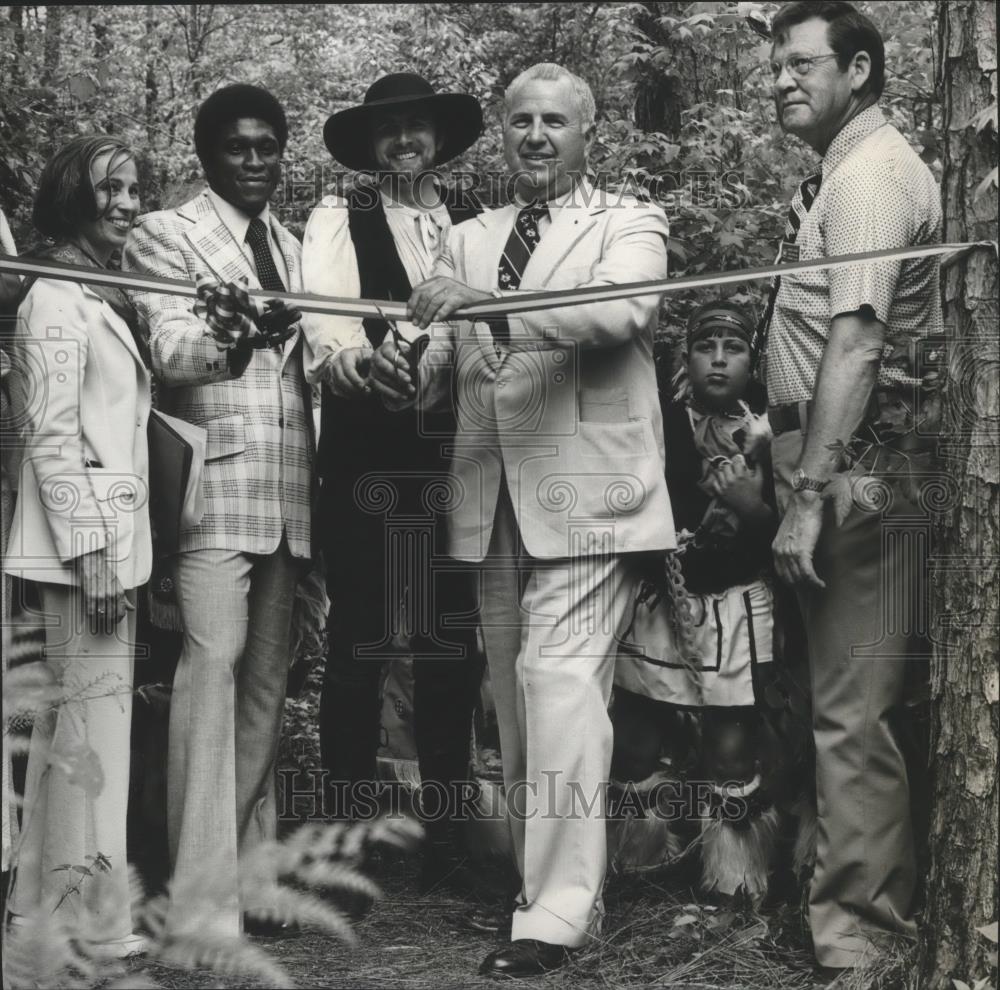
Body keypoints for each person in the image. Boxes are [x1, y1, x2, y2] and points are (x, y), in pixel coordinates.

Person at [372, 62, 675, 977]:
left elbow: (621, 312)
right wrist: (394, 369)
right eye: (520, 122)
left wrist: (489, 310)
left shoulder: (629, 219)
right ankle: (536, 880)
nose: (536, 135)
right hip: (489, 500)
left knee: (558, 684)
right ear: (502, 134)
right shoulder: (465, 239)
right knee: (512, 698)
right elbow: (438, 356)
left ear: (587, 135)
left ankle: (556, 914)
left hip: (593, 496)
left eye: (555, 121)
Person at [764, 1, 941, 975]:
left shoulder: (872, 176)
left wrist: (808, 493)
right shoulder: (840, 173)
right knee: (832, 701)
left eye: (801, 63)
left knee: (854, 710)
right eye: (774, 67)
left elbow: (860, 338)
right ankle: (836, 908)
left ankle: (862, 947)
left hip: (862, 477)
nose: (780, 81)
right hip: (827, 465)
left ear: (862, 70)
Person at [124, 84, 313, 938]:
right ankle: (194, 909)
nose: (254, 160)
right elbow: (168, 349)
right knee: (209, 679)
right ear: (205, 154)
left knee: (267, 689)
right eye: (237, 147)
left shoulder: (296, 243)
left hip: (288, 494)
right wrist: (231, 340)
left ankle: (236, 875)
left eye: (268, 145)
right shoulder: (165, 234)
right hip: (210, 488)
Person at [300, 72, 485, 890]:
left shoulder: (477, 222)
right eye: (390, 130)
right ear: (371, 145)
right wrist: (353, 363)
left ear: (438, 138)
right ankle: (344, 840)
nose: (405, 141)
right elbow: (323, 325)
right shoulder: (341, 215)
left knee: (450, 646)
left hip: (457, 457)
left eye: (417, 127)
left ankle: (445, 833)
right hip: (368, 453)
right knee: (361, 641)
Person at [4, 136, 151, 956]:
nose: (128, 203)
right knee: (86, 742)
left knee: (85, 736)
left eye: (134, 189)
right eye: (111, 190)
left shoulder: (101, 288)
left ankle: (48, 923)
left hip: (107, 541)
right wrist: (92, 549)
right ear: (72, 197)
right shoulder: (54, 296)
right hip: (79, 550)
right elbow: (53, 440)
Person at [613, 300, 803, 899]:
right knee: (634, 736)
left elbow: (795, 533)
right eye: (705, 346)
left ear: (755, 360)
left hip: (736, 600)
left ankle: (735, 885)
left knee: (730, 746)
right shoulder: (658, 421)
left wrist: (750, 505)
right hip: (659, 593)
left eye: (734, 347)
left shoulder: (780, 434)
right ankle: (637, 864)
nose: (718, 359)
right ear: (684, 357)